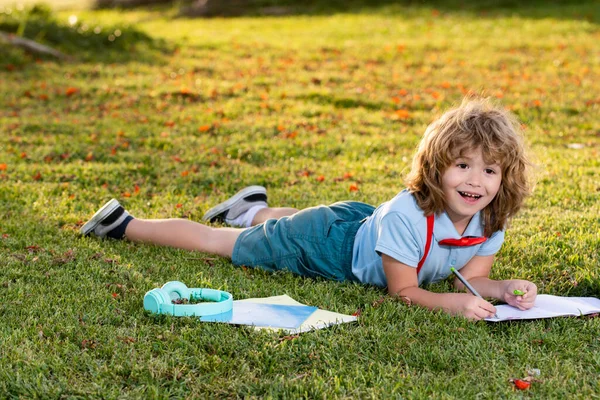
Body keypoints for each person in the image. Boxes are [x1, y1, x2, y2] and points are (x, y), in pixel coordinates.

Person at [80, 97, 537, 320]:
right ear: (436, 166)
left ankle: (252, 208)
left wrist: (502, 286)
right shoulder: (408, 217)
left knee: (290, 224)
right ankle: (123, 224)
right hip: (327, 247)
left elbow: (471, 278)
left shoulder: (488, 218)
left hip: (355, 224)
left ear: (504, 178)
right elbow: (405, 292)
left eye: (491, 171)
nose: (477, 181)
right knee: (220, 242)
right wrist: (451, 305)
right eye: (462, 165)